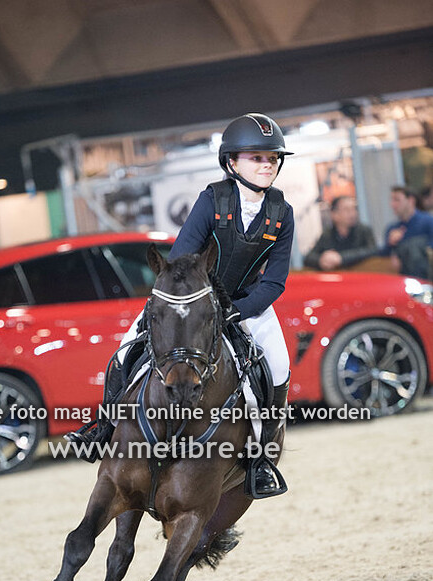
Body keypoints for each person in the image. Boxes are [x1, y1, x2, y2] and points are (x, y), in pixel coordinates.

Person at [73, 113, 295, 498]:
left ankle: (261, 461)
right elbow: (180, 260)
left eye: (272, 158)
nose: (266, 164)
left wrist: (238, 311)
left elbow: (275, 280)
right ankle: (102, 428)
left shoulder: (282, 213)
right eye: (256, 157)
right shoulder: (212, 200)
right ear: (231, 163)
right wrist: (195, 306)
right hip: (191, 302)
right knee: (124, 351)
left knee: (278, 367)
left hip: (248, 304)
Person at [303, 196, 376, 270]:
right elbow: (309, 258)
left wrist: (341, 258)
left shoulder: (364, 231)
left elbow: (372, 251)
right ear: (334, 215)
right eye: (347, 210)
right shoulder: (327, 235)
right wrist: (321, 260)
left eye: (354, 209)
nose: (352, 213)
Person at [380, 186, 433, 279]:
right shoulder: (392, 228)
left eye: (397, 200)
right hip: (402, 281)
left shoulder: (428, 221)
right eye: (392, 200)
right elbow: (383, 256)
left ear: (411, 201)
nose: (393, 204)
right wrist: (390, 243)